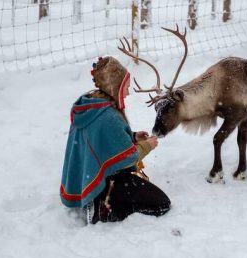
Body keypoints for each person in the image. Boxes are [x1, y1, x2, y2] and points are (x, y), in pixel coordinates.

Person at [60, 56, 171, 224]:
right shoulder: (108, 116)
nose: (127, 92)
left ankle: (101, 200)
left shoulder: (91, 106)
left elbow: (100, 139)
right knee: (162, 204)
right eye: (126, 87)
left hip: (89, 176)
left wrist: (132, 136)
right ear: (115, 87)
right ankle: (104, 209)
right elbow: (128, 158)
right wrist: (148, 145)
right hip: (108, 181)